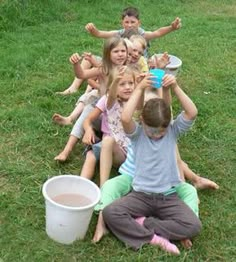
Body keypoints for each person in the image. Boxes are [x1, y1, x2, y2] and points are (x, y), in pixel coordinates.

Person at [102, 74, 202, 255]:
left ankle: (145, 223)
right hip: (140, 195)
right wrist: (139, 88)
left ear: (168, 126)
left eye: (161, 131)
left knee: (193, 225)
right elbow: (125, 118)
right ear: (142, 122)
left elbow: (192, 112)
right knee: (110, 213)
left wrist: (176, 87)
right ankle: (154, 239)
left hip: (168, 197)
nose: (156, 135)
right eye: (152, 130)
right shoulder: (138, 135)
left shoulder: (172, 132)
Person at [54, 36, 128, 162]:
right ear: (108, 54)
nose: (120, 54)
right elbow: (81, 75)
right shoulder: (103, 69)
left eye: (123, 51)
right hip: (103, 112)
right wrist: (76, 64)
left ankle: (95, 140)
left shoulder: (129, 69)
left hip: (121, 115)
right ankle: (67, 150)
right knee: (88, 109)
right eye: (116, 51)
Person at [81, 65, 137, 187]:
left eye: (130, 83)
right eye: (122, 84)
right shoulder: (109, 100)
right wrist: (88, 130)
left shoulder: (136, 100)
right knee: (107, 140)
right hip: (117, 152)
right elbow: (110, 98)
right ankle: (104, 187)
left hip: (134, 154)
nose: (127, 87)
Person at [85, 6, 181, 57]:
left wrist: (171, 27)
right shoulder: (119, 34)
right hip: (123, 62)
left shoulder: (142, 34)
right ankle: (75, 86)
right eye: (126, 22)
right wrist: (92, 29)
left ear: (138, 23)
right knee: (88, 59)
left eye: (133, 22)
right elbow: (100, 34)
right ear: (122, 23)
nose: (129, 25)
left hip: (141, 64)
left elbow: (157, 33)